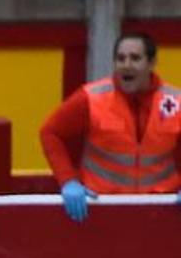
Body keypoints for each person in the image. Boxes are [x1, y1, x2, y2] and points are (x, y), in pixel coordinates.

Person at [40, 32, 181, 223]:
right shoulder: (91, 98)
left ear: (152, 63)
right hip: (102, 208)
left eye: (135, 58)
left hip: (160, 208)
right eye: (120, 58)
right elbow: (50, 132)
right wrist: (68, 181)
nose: (126, 65)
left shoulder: (176, 101)